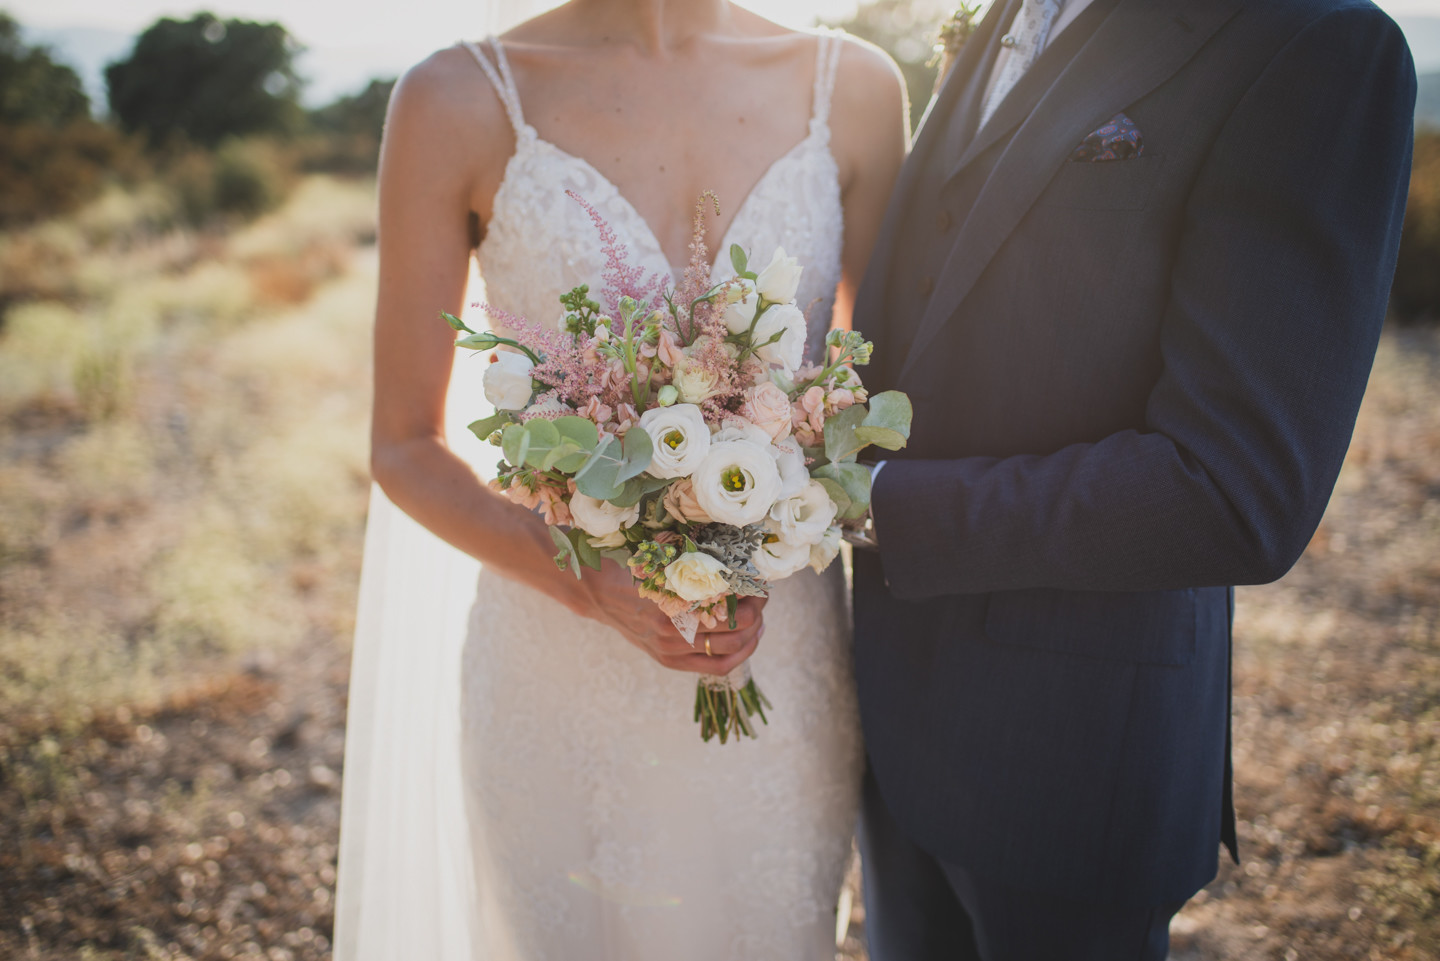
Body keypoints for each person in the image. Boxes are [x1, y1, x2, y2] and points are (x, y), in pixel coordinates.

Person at [334, 0, 907, 957]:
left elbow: (879, 396)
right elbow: (403, 445)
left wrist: (780, 502)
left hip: (782, 663)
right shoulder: (460, 97)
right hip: (552, 674)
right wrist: (584, 582)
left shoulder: (851, 90)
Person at [851, 0, 1416, 958]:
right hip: (895, 725)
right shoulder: (1000, 16)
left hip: (1072, 762)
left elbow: (1232, 488)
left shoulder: (1313, 39)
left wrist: (877, 507)